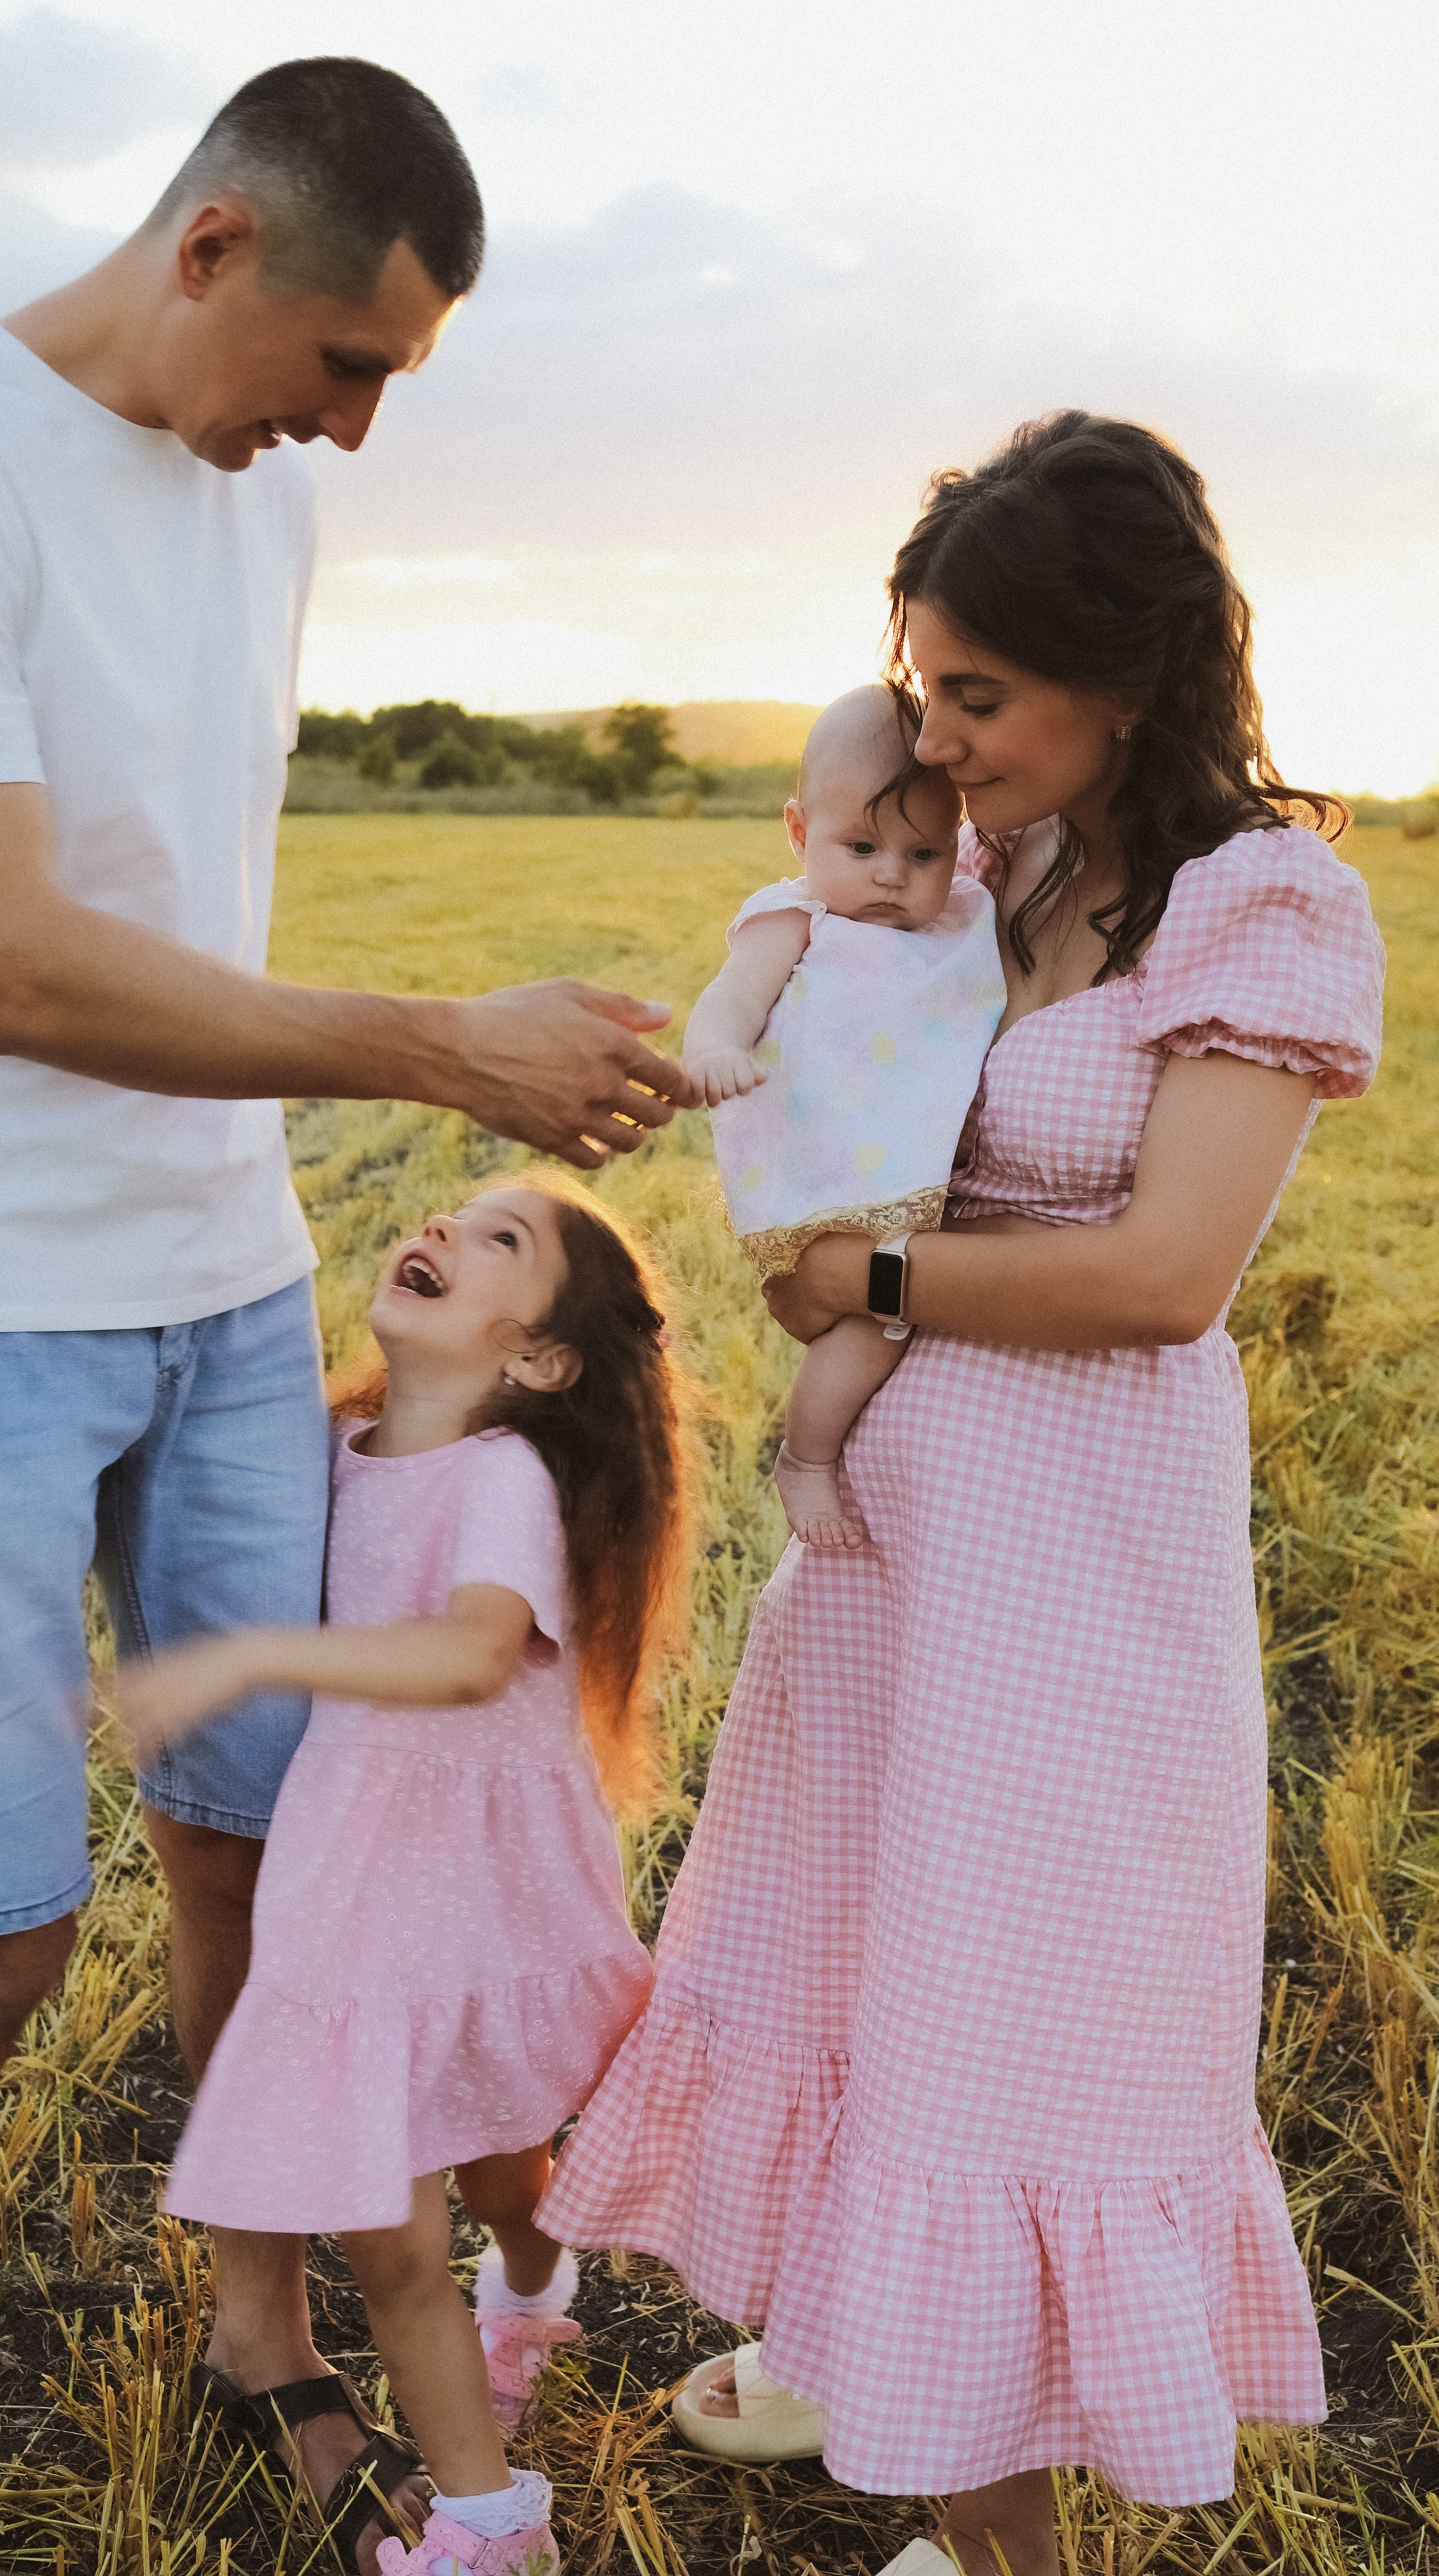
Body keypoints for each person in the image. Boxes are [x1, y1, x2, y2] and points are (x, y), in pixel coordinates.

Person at [0, 58, 693, 2576]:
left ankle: (262, 2320)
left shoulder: (259, 501)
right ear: (210, 250)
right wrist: (428, 1046)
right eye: (344, 365)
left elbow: (175, 894)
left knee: (275, 1858)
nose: (356, 431)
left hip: (218, 1280)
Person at [540, 412, 1386, 2576]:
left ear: (1133, 670)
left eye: (976, 692)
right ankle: (928, 2450)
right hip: (898, 1559)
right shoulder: (982, 856)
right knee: (872, 2005)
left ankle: (998, 2540)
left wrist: (872, 1269)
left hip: (1083, 1572)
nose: (933, 730)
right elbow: (816, 996)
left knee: (1022, 2039)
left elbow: (1165, 1272)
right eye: (916, 679)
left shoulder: (1255, 895)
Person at [113, 1175, 689, 2576]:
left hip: (482, 1896)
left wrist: (255, 1655)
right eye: (449, 1210)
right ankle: (494, 2527)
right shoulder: (335, 1444)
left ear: (540, 1360)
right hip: (361, 1901)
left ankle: (536, 2288)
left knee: (503, 2161)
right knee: (390, 2253)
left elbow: (472, 1652)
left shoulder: (498, 1478)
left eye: (501, 1239)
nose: (439, 1227)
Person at [684, 687, 1004, 1547]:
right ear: (799, 832)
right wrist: (714, 1049)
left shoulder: (963, 924)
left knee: (901, 1324)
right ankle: (807, 1457)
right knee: (870, 1332)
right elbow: (731, 998)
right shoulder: (796, 917)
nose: (892, 874)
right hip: (828, 1169)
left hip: (925, 1176)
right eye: (860, 846)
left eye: (923, 852)